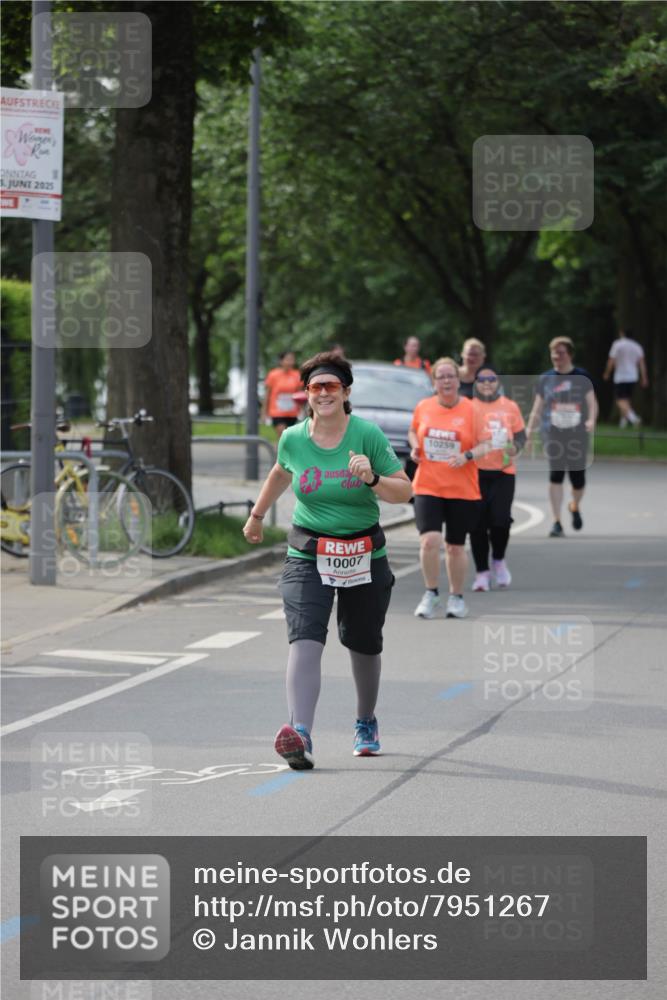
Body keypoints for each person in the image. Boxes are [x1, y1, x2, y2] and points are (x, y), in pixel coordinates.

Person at [243, 351, 412, 770]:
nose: (323, 394)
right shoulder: (294, 438)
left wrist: (372, 478)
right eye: (315, 387)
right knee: (305, 636)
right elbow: (281, 472)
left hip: (363, 552)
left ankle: (366, 721)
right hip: (309, 551)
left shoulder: (367, 435)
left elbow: (404, 491)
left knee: (363, 642)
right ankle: (300, 733)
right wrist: (257, 516)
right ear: (306, 394)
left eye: (331, 386)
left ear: (345, 391)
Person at [408, 357, 491, 620]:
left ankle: (456, 597)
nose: (446, 381)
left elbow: (488, 444)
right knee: (429, 540)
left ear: (458, 380)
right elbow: (413, 431)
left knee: (455, 546)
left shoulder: (472, 409)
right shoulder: (424, 406)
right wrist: (414, 446)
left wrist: (467, 456)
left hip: (462, 488)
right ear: (434, 383)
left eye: (450, 376)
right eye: (441, 376)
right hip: (428, 484)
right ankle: (431, 594)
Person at [526, 337, 597, 538]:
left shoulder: (582, 376)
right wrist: (529, 432)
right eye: (554, 353)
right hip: (553, 433)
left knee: (578, 480)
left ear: (570, 354)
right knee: (556, 475)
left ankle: (574, 505)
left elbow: (592, 403)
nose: (557, 356)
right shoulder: (546, 378)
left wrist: (591, 420)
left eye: (561, 352)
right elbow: (537, 408)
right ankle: (556, 521)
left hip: (577, 434)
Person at [470, 367, 526, 591]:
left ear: (497, 382)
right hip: (475, 472)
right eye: (482, 380)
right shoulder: (468, 406)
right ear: (476, 383)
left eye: (491, 379)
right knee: (477, 525)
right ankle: (482, 573)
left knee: (501, 521)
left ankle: (499, 559)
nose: (486, 383)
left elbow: (521, 436)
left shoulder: (510, 406)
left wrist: (515, 449)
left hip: (504, 472)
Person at [603, 328, 648, 427]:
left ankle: (634, 418)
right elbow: (642, 363)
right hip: (633, 376)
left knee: (620, 400)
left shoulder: (618, 344)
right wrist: (644, 377)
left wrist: (607, 372)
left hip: (621, 375)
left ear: (622, 334)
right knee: (626, 399)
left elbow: (611, 360)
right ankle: (623, 422)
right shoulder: (637, 346)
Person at [261, 350, 302, 440]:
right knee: (283, 435)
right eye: (287, 359)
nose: (290, 362)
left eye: (292, 359)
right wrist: (263, 413)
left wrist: (302, 410)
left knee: (289, 438)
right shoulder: (273, 375)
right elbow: (267, 395)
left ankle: (282, 452)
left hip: (292, 412)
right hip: (277, 412)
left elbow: (299, 394)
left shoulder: (297, 375)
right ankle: (280, 453)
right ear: (281, 361)